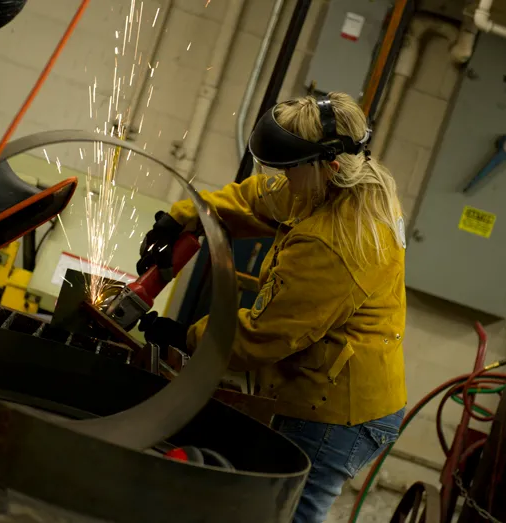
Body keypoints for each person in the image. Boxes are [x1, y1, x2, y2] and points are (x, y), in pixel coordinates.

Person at [137, 92, 407, 523]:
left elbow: (265, 335)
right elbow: (258, 198)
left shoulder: (334, 242)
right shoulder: (331, 184)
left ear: (327, 165)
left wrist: (184, 335)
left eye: (286, 168)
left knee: (290, 515)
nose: (278, 176)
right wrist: (187, 217)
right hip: (315, 384)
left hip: (336, 410)